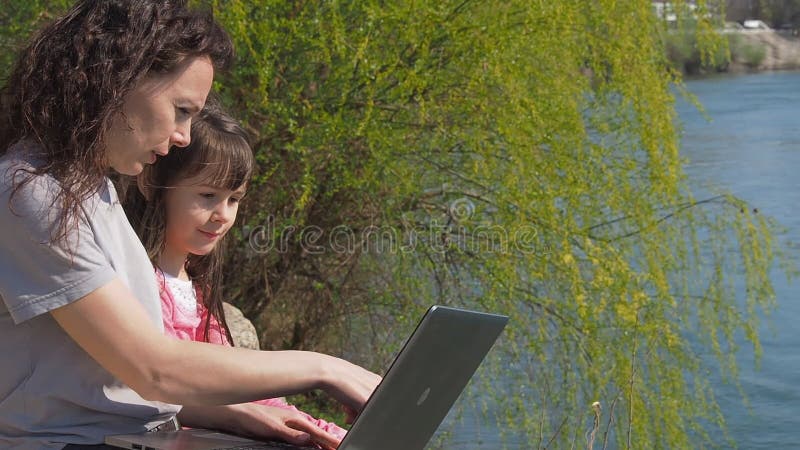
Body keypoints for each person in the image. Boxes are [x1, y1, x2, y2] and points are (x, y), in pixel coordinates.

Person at [0, 1, 380, 449]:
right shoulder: (29, 192)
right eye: (182, 109)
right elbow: (156, 369)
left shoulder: (88, 187)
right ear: (118, 80)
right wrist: (327, 369)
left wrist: (238, 416)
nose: (183, 135)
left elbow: (110, 385)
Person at [122, 100, 348, 445]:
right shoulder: (136, 283)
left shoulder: (197, 285)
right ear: (154, 184)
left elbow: (247, 388)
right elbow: (153, 388)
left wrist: (308, 425)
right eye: (208, 195)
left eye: (234, 199)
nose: (223, 215)